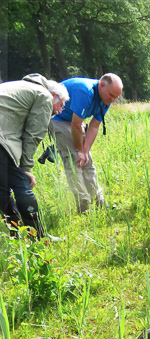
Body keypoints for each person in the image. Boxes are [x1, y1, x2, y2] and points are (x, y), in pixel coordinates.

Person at [0, 73, 69, 238]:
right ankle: (38, 238)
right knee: (22, 183)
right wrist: (26, 168)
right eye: (61, 105)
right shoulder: (44, 96)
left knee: (2, 190)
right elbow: (33, 135)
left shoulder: (20, 86)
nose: (59, 111)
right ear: (53, 95)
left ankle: (17, 236)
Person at [51, 73, 123, 213]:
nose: (113, 100)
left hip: (74, 122)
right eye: (111, 95)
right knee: (74, 158)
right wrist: (79, 150)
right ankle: (82, 204)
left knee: (87, 160)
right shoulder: (85, 91)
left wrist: (85, 150)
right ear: (102, 85)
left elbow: (94, 126)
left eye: (116, 97)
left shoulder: (106, 99)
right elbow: (76, 124)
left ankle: (98, 200)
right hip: (58, 119)